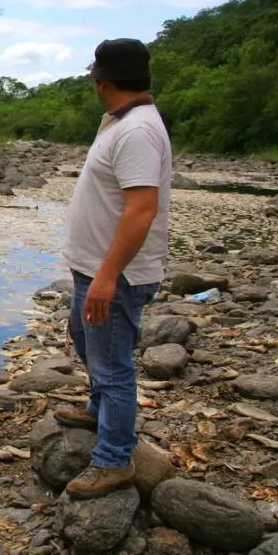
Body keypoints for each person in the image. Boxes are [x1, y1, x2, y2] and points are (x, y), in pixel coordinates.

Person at [57, 38, 172, 499]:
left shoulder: (137, 131)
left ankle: (114, 459)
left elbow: (142, 209)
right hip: (93, 269)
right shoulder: (123, 122)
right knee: (87, 342)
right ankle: (97, 407)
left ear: (101, 81)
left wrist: (107, 277)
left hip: (115, 276)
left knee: (113, 366)